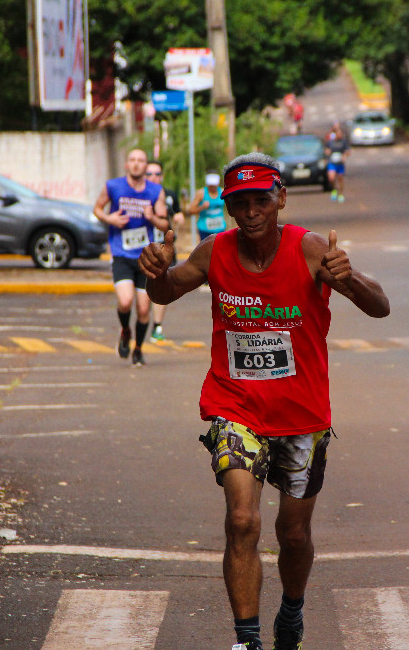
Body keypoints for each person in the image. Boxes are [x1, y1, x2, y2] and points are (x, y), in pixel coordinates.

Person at [138, 153, 390, 650]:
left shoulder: (311, 249)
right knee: (241, 520)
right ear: (228, 207)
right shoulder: (216, 253)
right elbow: (165, 292)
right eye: (240, 203)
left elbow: (380, 306)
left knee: (293, 535)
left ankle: (291, 611)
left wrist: (349, 278)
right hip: (236, 408)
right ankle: (247, 640)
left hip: (302, 415)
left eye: (260, 200)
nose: (251, 212)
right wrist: (154, 272)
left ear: (280, 199)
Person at [93, 148, 170, 367]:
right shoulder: (113, 186)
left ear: (146, 166)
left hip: (145, 257)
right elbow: (97, 209)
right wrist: (110, 219)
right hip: (121, 253)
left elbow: (165, 224)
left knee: (144, 309)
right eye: (133, 160)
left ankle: (138, 350)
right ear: (127, 164)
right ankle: (125, 331)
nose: (136, 164)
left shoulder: (156, 191)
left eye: (141, 161)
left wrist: (152, 217)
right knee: (125, 302)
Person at [146, 161, 185, 343]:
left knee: (161, 286)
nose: (154, 177)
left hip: (164, 247)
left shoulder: (169, 195)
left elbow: (177, 212)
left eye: (157, 174)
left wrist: (179, 215)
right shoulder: (136, 195)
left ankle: (157, 326)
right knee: (141, 293)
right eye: (149, 174)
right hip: (141, 247)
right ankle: (140, 322)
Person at [186, 169, 228, 244]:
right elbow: (190, 211)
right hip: (204, 230)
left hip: (220, 229)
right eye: (211, 185)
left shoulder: (223, 192)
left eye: (214, 185)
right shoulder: (201, 193)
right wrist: (202, 207)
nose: (212, 187)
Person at [324, 121, 350, 203]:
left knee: (340, 179)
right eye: (338, 133)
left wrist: (344, 156)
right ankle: (334, 190)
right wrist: (327, 152)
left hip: (340, 164)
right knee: (331, 178)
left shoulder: (343, 142)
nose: (339, 135)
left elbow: (347, 151)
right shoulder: (330, 142)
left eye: (340, 134)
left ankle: (341, 193)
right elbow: (326, 149)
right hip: (332, 163)